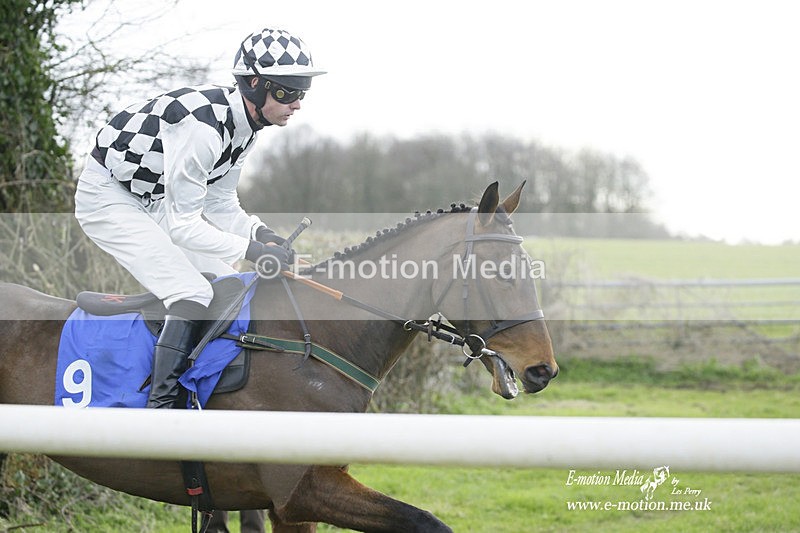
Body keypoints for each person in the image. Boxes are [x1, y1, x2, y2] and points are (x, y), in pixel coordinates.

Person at [74, 28, 326, 409]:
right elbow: (184, 226)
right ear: (255, 85)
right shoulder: (204, 129)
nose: (297, 104)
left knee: (226, 282)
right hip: (108, 196)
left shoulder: (246, 127)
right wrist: (252, 249)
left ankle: (205, 384)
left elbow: (220, 200)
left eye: (301, 93)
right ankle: (163, 406)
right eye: (286, 93)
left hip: (155, 198)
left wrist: (262, 234)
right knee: (191, 291)